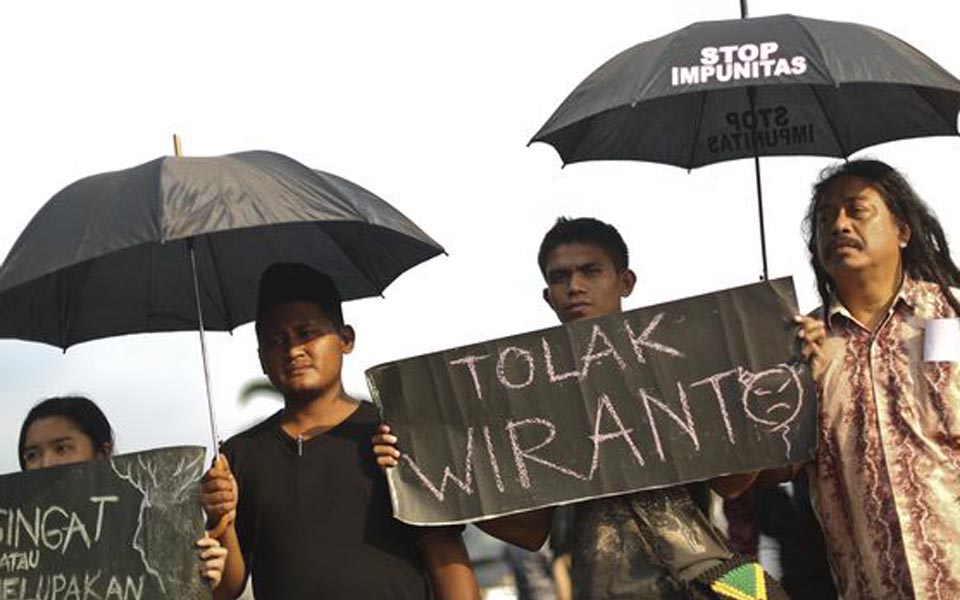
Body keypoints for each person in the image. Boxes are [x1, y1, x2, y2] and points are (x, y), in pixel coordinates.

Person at [375, 218, 787, 599]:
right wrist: (425, 475)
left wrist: (748, 386)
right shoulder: (529, 397)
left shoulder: (674, 365)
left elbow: (732, 484)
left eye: (591, 271)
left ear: (624, 281)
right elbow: (531, 531)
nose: (574, 286)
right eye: (560, 276)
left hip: (708, 580)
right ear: (547, 294)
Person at [199, 263, 479, 600]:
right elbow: (226, 588)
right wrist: (221, 518)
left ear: (345, 339)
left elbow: (445, 554)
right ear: (261, 359)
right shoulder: (238, 457)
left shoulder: (392, 436)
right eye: (276, 340)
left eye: (307, 334)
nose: (293, 351)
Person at [790, 159, 960, 599]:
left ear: (903, 231)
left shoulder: (951, 316)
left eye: (856, 210)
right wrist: (783, 386)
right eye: (826, 218)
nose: (839, 225)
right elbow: (771, 473)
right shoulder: (802, 346)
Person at [18, 395, 228, 588]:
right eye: (32, 455)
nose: (46, 463)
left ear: (102, 453)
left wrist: (197, 582)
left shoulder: (149, 533)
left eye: (62, 448)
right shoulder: (14, 545)